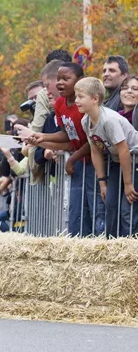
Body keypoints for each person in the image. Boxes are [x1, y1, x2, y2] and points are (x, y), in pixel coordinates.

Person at [27, 62, 104, 236]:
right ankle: (79, 244)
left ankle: (100, 243)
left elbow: (92, 139)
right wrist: (42, 137)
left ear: (80, 81)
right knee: (76, 208)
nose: (60, 83)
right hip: (79, 162)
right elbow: (67, 134)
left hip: (96, 161)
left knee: (96, 206)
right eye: (58, 79)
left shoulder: (84, 107)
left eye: (66, 79)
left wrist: (71, 158)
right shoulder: (60, 103)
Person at [78, 77, 138, 237]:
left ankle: (131, 248)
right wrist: (102, 182)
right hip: (119, 163)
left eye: (80, 96)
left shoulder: (109, 120)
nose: (76, 100)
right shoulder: (86, 121)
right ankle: (112, 245)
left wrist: (128, 183)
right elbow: (95, 150)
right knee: (110, 206)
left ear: (95, 98)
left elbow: (124, 150)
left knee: (128, 209)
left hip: (134, 162)